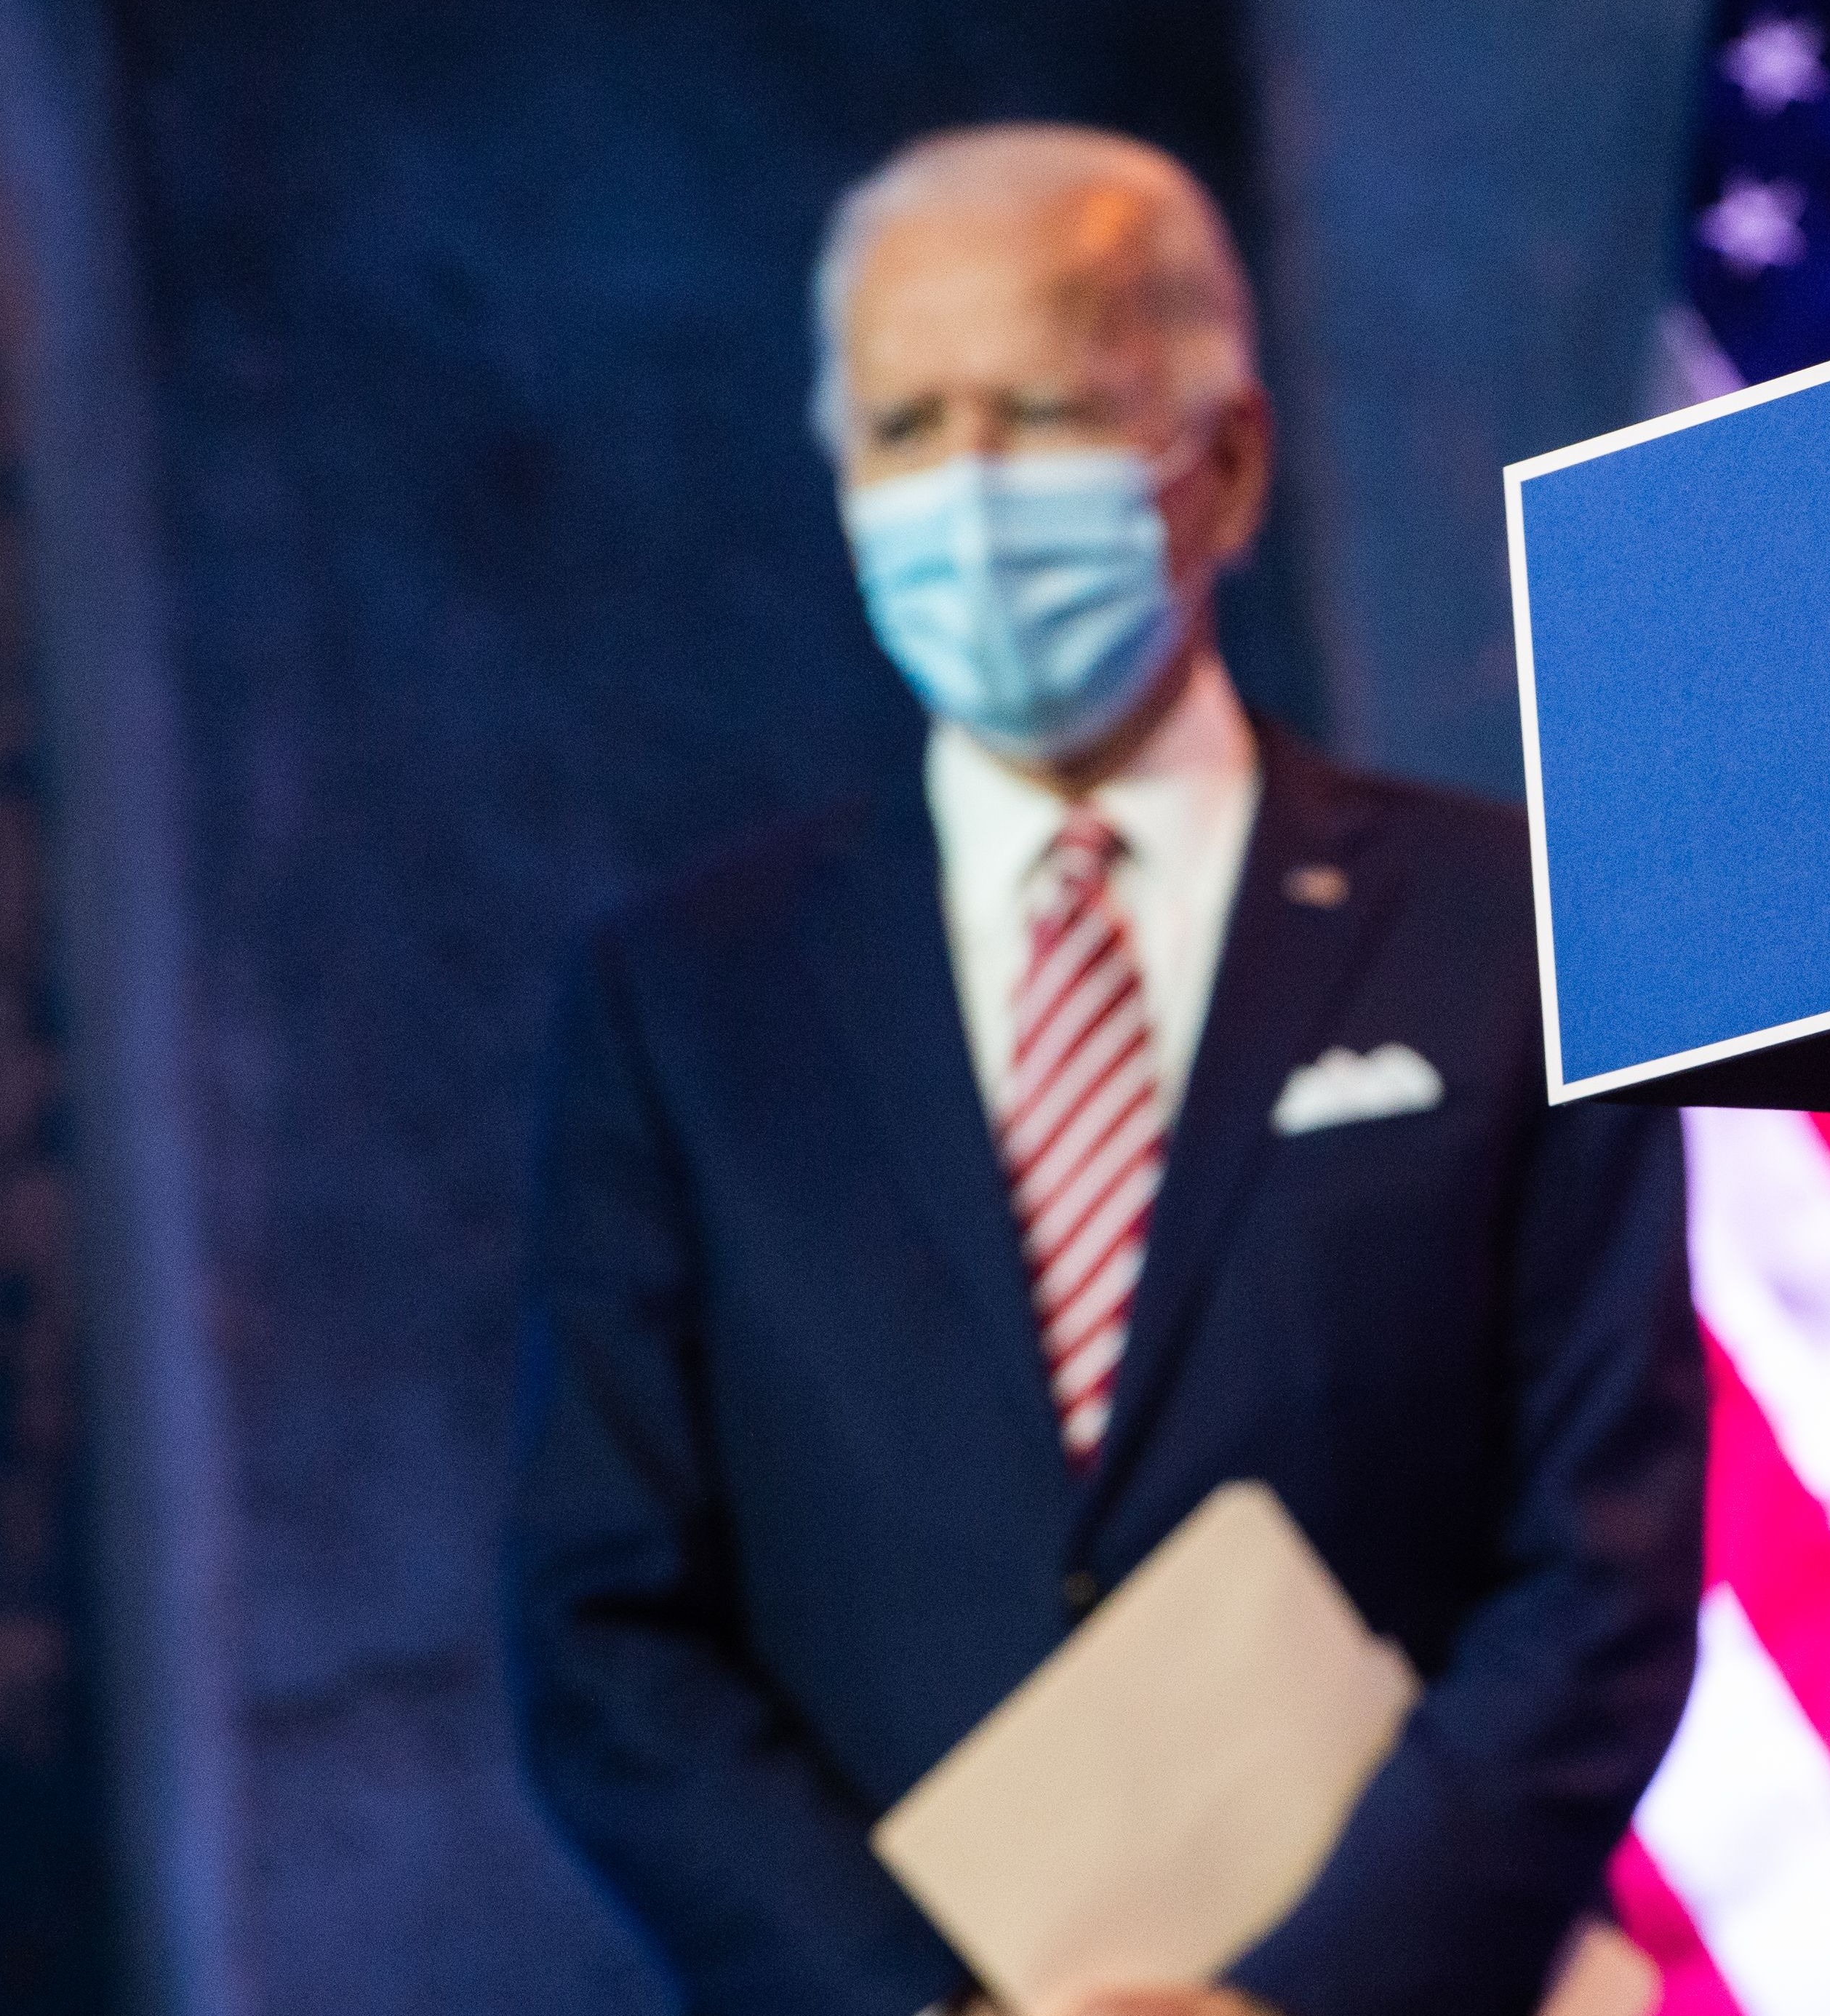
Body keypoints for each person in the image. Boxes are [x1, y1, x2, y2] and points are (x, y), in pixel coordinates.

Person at [506, 125, 1704, 2016]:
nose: (965, 494)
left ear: (1223, 465)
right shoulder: (686, 997)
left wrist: (1287, 1997)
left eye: (1042, 409)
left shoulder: (1509, 929)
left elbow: (1602, 1566)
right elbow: (606, 1632)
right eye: (904, 429)